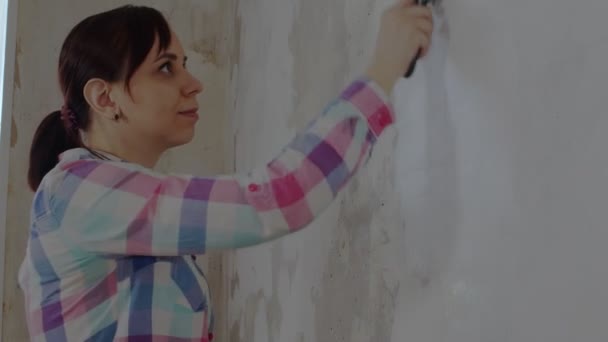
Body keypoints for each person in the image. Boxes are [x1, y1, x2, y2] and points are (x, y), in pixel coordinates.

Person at [18, 1, 433, 341]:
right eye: (166, 67)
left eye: (184, 63)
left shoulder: (115, 206)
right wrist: (382, 71)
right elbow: (277, 199)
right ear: (105, 98)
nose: (193, 83)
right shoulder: (75, 191)